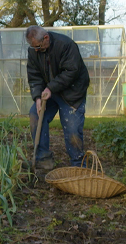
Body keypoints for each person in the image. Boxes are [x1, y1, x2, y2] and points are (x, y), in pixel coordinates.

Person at [25, 26, 90, 169]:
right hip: (51, 91)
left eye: (39, 47)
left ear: (46, 38)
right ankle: (43, 159)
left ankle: (78, 165)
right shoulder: (33, 51)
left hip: (72, 92)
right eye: (33, 47)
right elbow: (34, 76)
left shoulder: (66, 45)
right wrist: (37, 97)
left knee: (72, 127)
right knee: (35, 114)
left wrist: (50, 88)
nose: (36, 50)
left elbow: (71, 72)